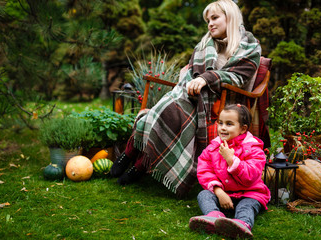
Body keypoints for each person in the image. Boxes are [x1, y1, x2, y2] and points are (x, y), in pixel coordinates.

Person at [110, 0, 262, 198]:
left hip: (218, 101)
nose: (210, 24)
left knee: (170, 111)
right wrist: (192, 82)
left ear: (230, 17)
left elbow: (239, 77)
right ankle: (132, 154)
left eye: (215, 18)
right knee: (166, 107)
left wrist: (206, 79)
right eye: (208, 20)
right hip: (190, 93)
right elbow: (191, 70)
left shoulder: (250, 46)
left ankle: (139, 164)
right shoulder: (205, 44)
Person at [189, 104, 270, 239]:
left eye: (229, 124)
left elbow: (251, 175)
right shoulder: (212, 148)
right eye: (220, 123)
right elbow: (205, 171)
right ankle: (214, 217)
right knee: (204, 195)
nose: (223, 128)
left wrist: (232, 160)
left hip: (248, 193)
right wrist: (219, 192)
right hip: (224, 193)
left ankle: (241, 224)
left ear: (243, 129)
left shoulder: (254, 149)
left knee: (247, 206)